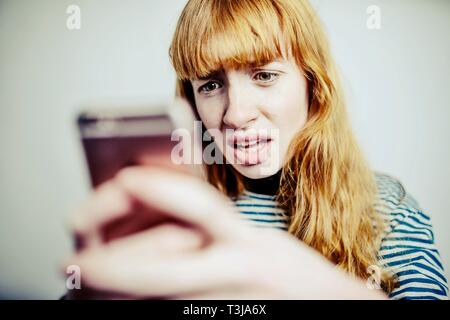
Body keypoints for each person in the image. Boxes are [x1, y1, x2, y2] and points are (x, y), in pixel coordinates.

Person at [64, 0, 448, 299]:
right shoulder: (171, 217)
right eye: (210, 85)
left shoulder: (388, 210)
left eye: (264, 75)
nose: (235, 115)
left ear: (313, 86)